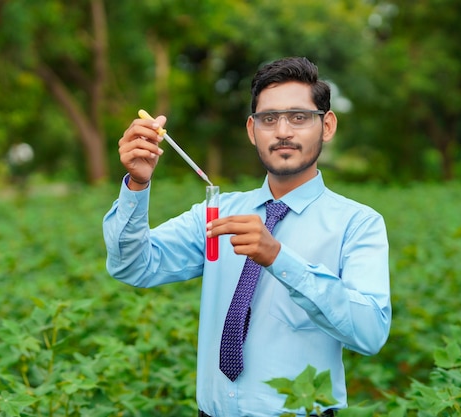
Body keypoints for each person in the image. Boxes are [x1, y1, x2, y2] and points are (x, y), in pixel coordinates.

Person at [102, 56, 391, 417]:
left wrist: (278, 257)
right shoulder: (218, 213)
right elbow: (132, 266)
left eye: (299, 117)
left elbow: (370, 333)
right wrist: (137, 184)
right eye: (269, 119)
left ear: (327, 125)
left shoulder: (357, 223)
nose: (283, 131)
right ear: (253, 130)